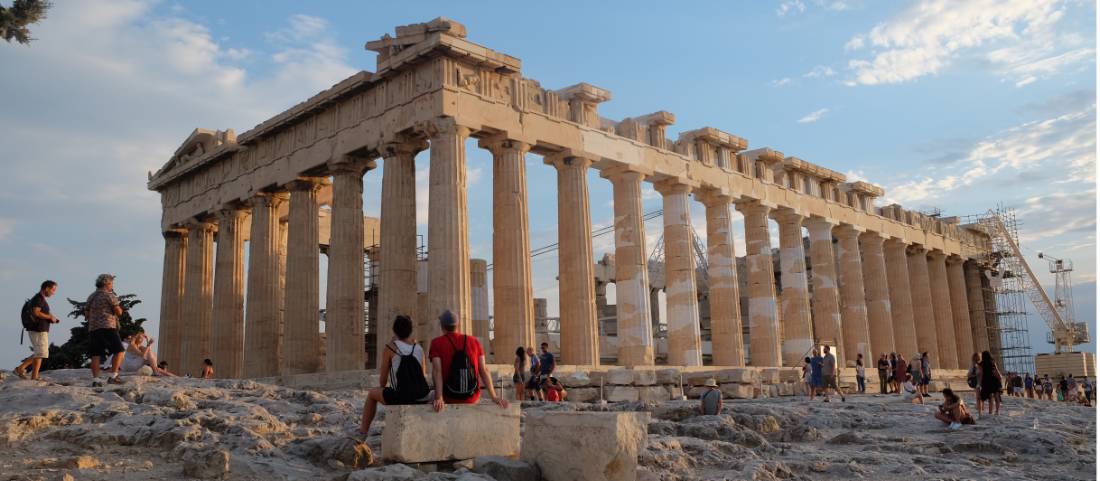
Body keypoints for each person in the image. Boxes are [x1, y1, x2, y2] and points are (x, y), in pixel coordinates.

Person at [357, 315, 433, 436]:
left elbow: (382, 381)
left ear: (394, 330)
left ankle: (363, 430)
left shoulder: (390, 348)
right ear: (410, 330)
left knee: (372, 394)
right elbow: (422, 375)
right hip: (421, 396)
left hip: (400, 396)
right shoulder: (418, 348)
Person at [429, 310, 508, 411]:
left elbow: (437, 371)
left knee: (430, 395)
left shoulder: (436, 343)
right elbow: (484, 370)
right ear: (458, 325)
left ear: (442, 326)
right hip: (472, 397)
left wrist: (439, 397)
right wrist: (494, 397)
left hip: (448, 397)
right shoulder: (474, 341)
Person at [85, 274, 126, 386]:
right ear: (107, 283)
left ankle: (96, 380)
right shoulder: (109, 295)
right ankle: (113, 376)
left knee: (96, 354)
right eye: (111, 283)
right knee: (119, 350)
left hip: (93, 328)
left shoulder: (91, 296)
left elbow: (86, 314)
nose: (112, 285)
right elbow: (118, 311)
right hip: (107, 326)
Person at [15, 280, 60, 381]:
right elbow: (36, 312)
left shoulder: (39, 299)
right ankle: (20, 368)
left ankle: (34, 376)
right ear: (46, 288)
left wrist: (51, 318)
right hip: (38, 329)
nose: (54, 292)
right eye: (53, 290)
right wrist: (49, 317)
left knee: (39, 352)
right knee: (41, 352)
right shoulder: (38, 299)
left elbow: (38, 313)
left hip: (38, 329)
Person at [977, 350, 1002, 416]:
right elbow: (996, 370)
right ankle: (997, 411)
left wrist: (980, 383)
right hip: (994, 380)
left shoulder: (981, 364)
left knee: (990, 397)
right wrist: (999, 377)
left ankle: (990, 412)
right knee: (996, 396)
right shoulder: (992, 361)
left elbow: (981, 374)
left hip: (986, 381)